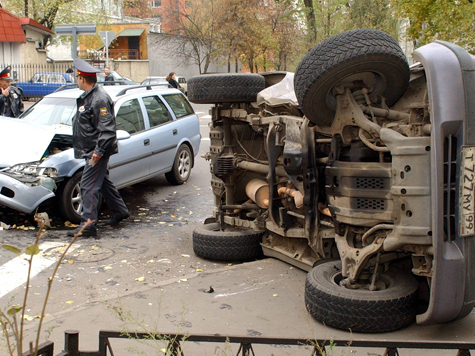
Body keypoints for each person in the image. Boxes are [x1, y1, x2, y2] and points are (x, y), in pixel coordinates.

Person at [67, 58, 129, 238]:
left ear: (82, 79)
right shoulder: (90, 97)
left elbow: (108, 131)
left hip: (97, 151)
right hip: (92, 150)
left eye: (77, 77)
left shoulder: (99, 99)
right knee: (101, 182)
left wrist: (98, 152)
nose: (76, 80)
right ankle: (120, 210)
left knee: (88, 186)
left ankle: (88, 225)